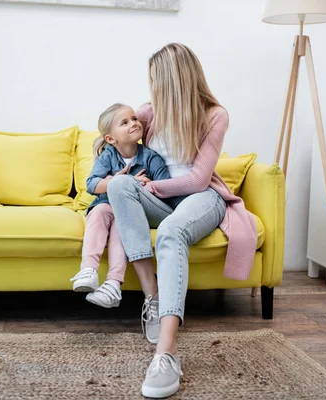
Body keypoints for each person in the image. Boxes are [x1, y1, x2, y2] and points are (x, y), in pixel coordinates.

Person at [106, 43, 258, 398]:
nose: (151, 88)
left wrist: (153, 185)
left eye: (155, 79)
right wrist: (116, 171)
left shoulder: (214, 115)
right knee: (120, 186)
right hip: (163, 199)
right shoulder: (148, 112)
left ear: (171, 80)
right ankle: (152, 300)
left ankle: (167, 352)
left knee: (172, 231)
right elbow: (115, 140)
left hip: (201, 199)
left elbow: (197, 180)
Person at [69, 103, 170, 308]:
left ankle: (114, 284)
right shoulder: (108, 156)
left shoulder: (151, 158)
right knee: (98, 213)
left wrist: (146, 187)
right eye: (124, 122)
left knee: (120, 226)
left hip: (133, 212)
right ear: (110, 139)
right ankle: (88, 269)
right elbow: (92, 184)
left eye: (134, 118)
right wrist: (116, 181)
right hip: (105, 204)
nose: (133, 123)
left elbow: (165, 190)